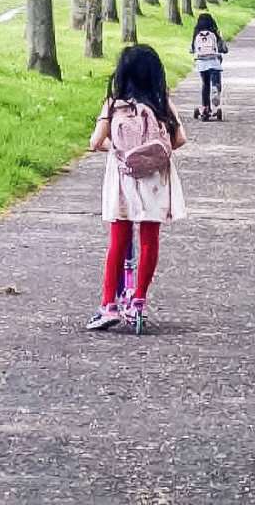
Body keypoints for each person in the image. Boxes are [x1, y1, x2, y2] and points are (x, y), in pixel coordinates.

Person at [86, 45, 186, 330]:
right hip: (154, 180)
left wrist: (119, 151)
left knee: (118, 239)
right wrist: (151, 155)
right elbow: (180, 139)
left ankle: (109, 305)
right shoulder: (161, 103)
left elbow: (95, 142)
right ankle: (138, 302)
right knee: (149, 239)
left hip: (122, 178)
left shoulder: (114, 104)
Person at [190, 11, 229, 121]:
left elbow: (192, 49)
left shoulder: (196, 35)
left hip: (202, 63)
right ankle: (215, 89)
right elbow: (223, 48)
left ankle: (205, 107)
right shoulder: (215, 34)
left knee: (205, 84)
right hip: (214, 61)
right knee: (215, 81)